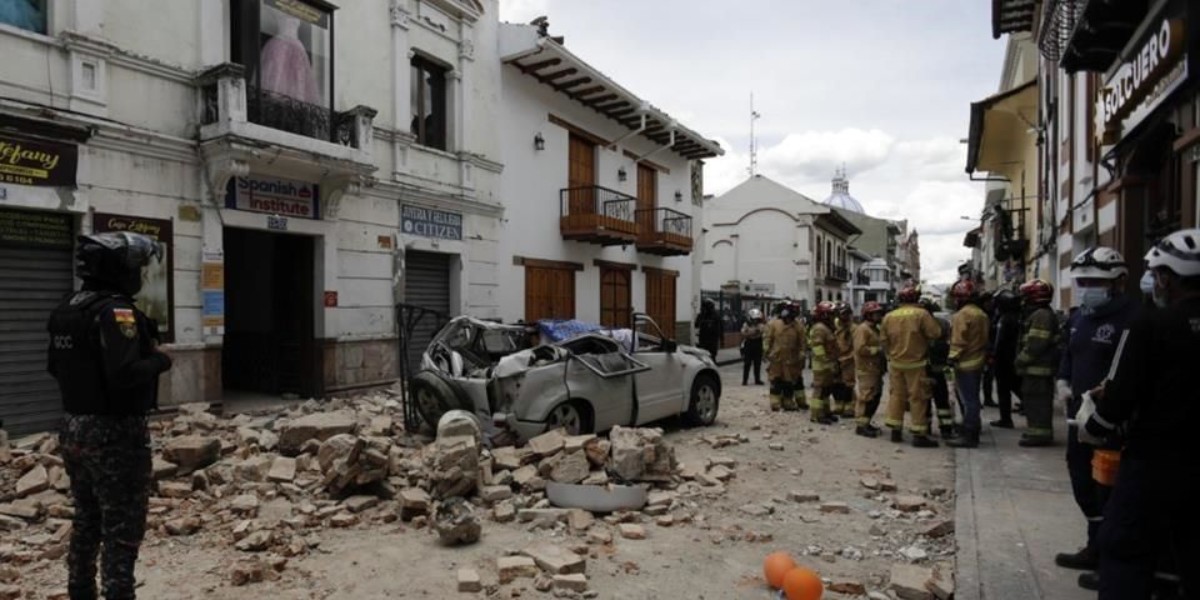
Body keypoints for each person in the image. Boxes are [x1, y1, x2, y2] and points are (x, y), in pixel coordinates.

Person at [47, 232, 173, 600]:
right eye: (135, 266)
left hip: (73, 427)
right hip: (115, 433)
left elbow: (54, 367)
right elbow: (125, 374)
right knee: (122, 529)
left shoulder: (67, 309)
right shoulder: (116, 312)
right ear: (118, 269)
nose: (139, 273)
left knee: (87, 519)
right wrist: (160, 360)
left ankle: (80, 591)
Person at [1082, 230, 1200, 599]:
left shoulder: (1151, 324)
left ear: (1166, 277)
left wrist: (1094, 425)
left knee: (1124, 546)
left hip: (1155, 459)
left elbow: (1120, 391)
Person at [1052, 247, 1139, 591]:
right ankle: (1094, 544)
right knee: (1082, 480)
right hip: (1079, 419)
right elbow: (1068, 355)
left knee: (1111, 489)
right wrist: (1062, 381)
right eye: (1082, 281)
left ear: (1118, 282)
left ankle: (1111, 557)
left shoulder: (1133, 320)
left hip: (1113, 422)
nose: (1087, 286)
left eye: (1094, 281)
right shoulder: (1079, 318)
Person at [880, 285, 943, 447]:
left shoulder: (889, 316)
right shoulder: (921, 314)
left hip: (896, 363)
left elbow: (883, 340)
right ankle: (919, 434)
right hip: (916, 363)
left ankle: (895, 430)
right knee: (918, 398)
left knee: (897, 396)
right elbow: (935, 333)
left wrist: (891, 354)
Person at [945, 280, 991, 448]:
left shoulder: (961, 315)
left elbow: (958, 340)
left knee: (968, 401)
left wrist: (951, 358)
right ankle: (972, 429)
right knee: (973, 399)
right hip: (978, 360)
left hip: (965, 364)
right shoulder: (981, 314)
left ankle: (970, 435)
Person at [1014, 279, 1060, 447]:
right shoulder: (1041, 313)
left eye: (1025, 296)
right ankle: (1035, 431)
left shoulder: (1041, 315)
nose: (1023, 300)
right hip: (1035, 370)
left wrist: (1020, 361)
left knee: (1038, 403)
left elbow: (1036, 345)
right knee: (1033, 403)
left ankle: (1040, 435)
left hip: (1038, 369)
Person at [763, 301, 807, 412]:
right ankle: (775, 402)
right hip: (777, 359)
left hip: (792, 359)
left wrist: (802, 354)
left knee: (789, 381)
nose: (789, 320)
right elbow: (767, 339)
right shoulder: (774, 324)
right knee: (776, 380)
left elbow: (802, 343)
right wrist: (766, 352)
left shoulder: (798, 326)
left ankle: (788, 401)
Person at [989, 289, 1023, 428]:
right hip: (1013, 359)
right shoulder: (1017, 316)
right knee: (1015, 386)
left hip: (1004, 360)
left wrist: (994, 355)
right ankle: (1025, 406)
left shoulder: (1005, 319)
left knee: (1004, 390)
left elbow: (1000, 341)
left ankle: (1006, 419)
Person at [922, 298, 955, 439]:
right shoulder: (943, 324)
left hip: (924, 369)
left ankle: (926, 427)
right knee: (942, 400)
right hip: (941, 369)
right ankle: (946, 429)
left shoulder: (917, 325)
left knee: (925, 401)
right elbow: (950, 343)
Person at [852, 301, 886, 438]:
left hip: (875, 369)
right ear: (868, 315)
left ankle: (866, 422)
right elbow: (860, 349)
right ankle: (861, 426)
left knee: (875, 397)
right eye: (876, 314)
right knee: (866, 397)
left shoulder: (874, 329)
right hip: (866, 369)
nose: (879, 316)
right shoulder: (863, 329)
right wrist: (877, 350)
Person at [807, 301, 841, 425]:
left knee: (827, 390)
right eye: (831, 314)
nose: (834, 317)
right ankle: (816, 415)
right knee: (820, 390)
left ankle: (825, 412)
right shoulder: (820, 328)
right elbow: (817, 348)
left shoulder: (827, 327)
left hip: (828, 364)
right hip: (822, 365)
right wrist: (826, 362)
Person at [833, 303, 857, 418]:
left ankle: (850, 406)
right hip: (836, 359)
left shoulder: (854, 329)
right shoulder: (835, 327)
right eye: (842, 314)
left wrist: (849, 358)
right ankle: (839, 404)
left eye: (847, 314)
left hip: (849, 360)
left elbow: (857, 346)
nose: (845, 317)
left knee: (848, 384)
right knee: (836, 383)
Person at [979, 291, 998, 407]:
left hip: (990, 348)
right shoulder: (981, 315)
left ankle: (988, 398)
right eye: (989, 301)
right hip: (982, 348)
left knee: (988, 376)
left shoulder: (993, 313)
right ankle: (978, 400)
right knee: (979, 376)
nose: (991, 303)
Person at [740, 308, 766, 386]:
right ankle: (745, 380)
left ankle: (757, 379)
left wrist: (752, 332)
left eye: (757, 319)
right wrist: (753, 332)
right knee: (747, 363)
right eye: (754, 319)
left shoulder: (760, 325)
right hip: (749, 344)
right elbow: (744, 333)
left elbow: (762, 331)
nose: (756, 321)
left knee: (757, 363)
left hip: (758, 343)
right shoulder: (746, 324)